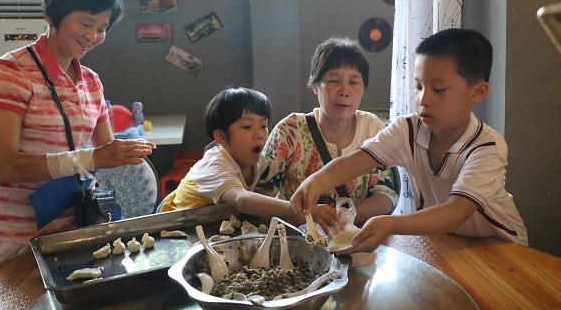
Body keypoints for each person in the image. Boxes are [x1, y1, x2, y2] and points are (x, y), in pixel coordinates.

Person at [0, 0, 156, 268]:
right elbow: (3, 165)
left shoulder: (91, 81)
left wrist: (126, 152)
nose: (93, 36)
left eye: (102, 28)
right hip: (15, 236)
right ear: (51, 15)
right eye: (86, 23)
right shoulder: (9, 73)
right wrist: (91, 158)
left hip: (76, 228)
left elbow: (105, 150)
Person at [290, 28, 528, 253]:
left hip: (501, 248)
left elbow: (456, 211)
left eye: (438, 89)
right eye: (418, 87)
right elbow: (356, 161)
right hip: (448, 242)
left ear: (477, 92)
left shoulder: (487, 147)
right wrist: (316, 181)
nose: (423, 99)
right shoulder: (407, 129)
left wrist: (391, 224)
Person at [257, 37, 398, 231]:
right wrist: (302, 214)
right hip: (298, 240)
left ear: (363, 88)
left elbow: (387, 194)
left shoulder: (372, 128)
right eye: (333, 81)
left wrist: (345, 218)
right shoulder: (290, 130)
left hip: (354, 238)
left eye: (354, 82)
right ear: (314, 85)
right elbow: (260, 193)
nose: (344, 91)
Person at [159, 87, 297, 220]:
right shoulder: (214, 164)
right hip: (176, 222)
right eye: (247, 126)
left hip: (214, 221)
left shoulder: (259, 162)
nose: (259, 134)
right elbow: (242, 200)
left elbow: (256, 196)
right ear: (221, 137)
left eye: (263, 125)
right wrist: (295, 209)